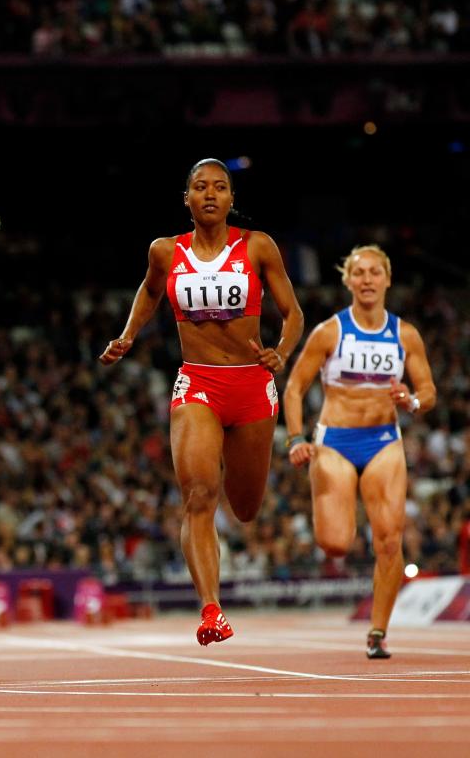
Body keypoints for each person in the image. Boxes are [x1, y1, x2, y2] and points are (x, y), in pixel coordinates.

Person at [99, 159, 304, 645]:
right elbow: (149, 293)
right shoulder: (166, 252)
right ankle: (211, 610)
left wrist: (282, 351)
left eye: (220, 187)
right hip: (198, 384)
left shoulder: (257, 247)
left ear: (232, 199)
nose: (210, 194)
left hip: (252, 385)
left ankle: (234, 474)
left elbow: (292, 312)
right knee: (197, 495)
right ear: (186, 199)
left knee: (247, 507)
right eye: (200, 187)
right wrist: (128, 335)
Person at [282, 245, 435, 659]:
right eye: (359, 273)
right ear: (347, 280)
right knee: (334, 543)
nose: (367, 280)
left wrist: (412, 401)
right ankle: (334, 517)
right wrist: (296, 439)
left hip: (384, 440)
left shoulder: (405, 335)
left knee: (389, 541)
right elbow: (294, 387)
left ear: (387, 279)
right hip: (334, 442)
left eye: (374, 272)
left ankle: (378, 632)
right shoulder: (330, 331)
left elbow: (428, 391)